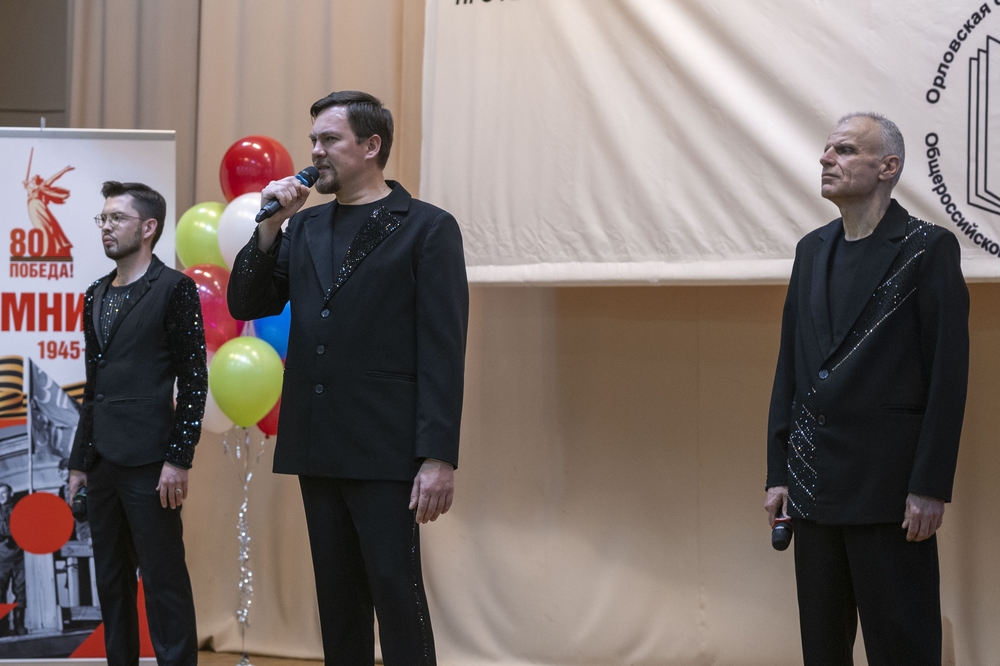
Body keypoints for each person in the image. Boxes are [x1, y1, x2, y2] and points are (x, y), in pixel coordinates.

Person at [228, 90, 469, 666]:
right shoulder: (304, 226)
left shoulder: (427, 228)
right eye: (313, 140)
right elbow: (246, 302)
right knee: (337, 602)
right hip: (318, 440)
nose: (315, 152)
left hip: (387, 445)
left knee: (396, 592)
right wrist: (270, 228)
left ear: (371, 146)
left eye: (329, 140)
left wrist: (437, 455)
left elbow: (443, 349)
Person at [765, 113, 969, 666]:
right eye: (827, 148)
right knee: (822, 650)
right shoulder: (810, 250)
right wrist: (779, 471)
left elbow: (948, 377)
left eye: (846, 150)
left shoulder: (927, 249)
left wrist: (930, 485)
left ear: (888, 167)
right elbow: (791, 370)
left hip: (891, 496)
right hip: (813, 487)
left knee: (902, 650)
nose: (826, 158)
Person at [68, 181, 207, 666]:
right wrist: (79, 462)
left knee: (164, 582)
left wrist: (179, 459)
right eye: (103, 218)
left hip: (152, 462)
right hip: (101, 461)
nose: (106, 227)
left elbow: (195, 381)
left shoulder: (174, 289)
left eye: (117, 218)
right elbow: (94, 385)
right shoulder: (94, 294)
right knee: (111, 583)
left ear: (148, 228)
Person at [0, 483, 26, 636]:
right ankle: (2, 626)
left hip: (19, 558)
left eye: (3, 493)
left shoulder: (20, 510)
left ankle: (19, 624)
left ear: (11, 494)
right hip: (1, 559)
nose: (1, 496)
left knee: (21, 591)